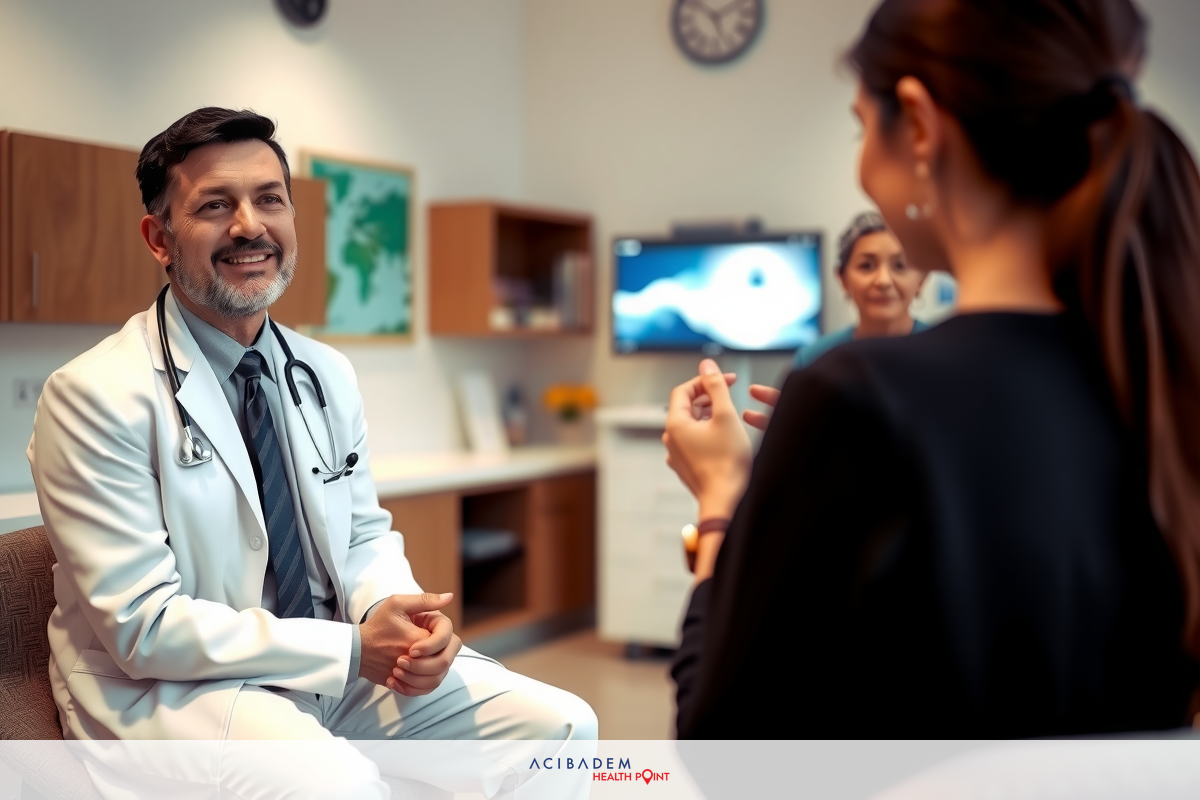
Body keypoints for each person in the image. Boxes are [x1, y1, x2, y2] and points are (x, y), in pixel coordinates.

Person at [665, 0, 1200, 738]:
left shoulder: (856, 398)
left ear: (918, 125)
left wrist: (721, 501)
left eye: (861, 126)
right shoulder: (1168, 381)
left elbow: (723, 753)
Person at [27, 108, 595, 797]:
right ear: (160, 238)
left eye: (269, 199)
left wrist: (397, 616)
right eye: (214, 205)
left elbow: (359, 534)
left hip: (332, 665)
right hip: (176, 689)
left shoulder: (324, 373)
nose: (248, 225)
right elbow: (143, 627)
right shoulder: (93, 394)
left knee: (563, 730)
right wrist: (353, 649)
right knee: (340, 786)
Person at [794, 211, 929, 368]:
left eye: (900, 266)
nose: (883, 281)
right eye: (866, 266)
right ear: (843, 279)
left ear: (922, 280)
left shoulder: (948, 356)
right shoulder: (814, 360)